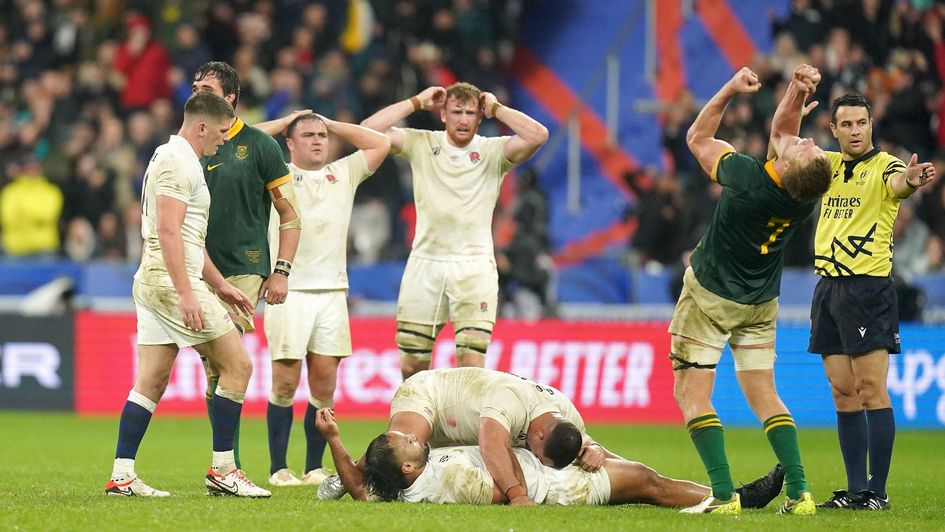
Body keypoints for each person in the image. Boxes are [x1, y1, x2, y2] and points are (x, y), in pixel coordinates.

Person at [670, 64, 832, 515]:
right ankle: (800, 493)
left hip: (710, 297)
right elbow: (784, 131)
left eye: (807, 149)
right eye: (811, 144)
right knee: (765, 393)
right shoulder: (804, 195)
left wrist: (727, 89)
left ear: (782, 165)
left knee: (691, 393)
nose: (809, 141)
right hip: (761, 302)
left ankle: (723, 497)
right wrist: (797, 91)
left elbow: (697, 139)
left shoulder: (745, 178)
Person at [103, 91, 269, 498]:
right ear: (200, 127)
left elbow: (189, 239)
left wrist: (221, 285)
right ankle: (224, 470)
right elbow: (169, 231)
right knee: (238, 367)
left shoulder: (172, 158)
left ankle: (121, 474)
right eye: (220, 131)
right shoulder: (179, 162)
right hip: (171, 281)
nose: (224, 139)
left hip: (156, 278)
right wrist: (188, 293)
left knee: (152, 380)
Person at [360, 83, 548, 380]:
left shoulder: (492, 151)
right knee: (411, 367)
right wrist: (415, 102)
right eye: (456, 112)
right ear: (443, 114)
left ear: (479, 117)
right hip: (426, 264)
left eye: (470, 113)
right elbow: (367, 131)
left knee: (471, 366)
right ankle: (419, 425)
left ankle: (464, 427)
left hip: (474, 267)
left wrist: (497, 108)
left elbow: (538, 135)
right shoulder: (421, 142)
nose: (463, 119)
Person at [810, 93, 936, 511]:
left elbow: (900, 183)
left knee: (870, 389)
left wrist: (912, 181)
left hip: (867, 288)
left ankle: (876, 492)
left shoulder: (886, 166)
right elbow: (782, 152)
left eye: (861, 123)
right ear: (833, 129)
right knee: (842, 392)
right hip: (827, 288)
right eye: (846, 124)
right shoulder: (825, 166)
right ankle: (853, 489)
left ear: (870, 124)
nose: (855, 131)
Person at [250, 111, 390, 487]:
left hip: (331, 293)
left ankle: (313, 467)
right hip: (288, 290)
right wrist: (284, 123)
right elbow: (236, 140)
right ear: (290, 144)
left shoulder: (343, 173)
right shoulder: (275, 170)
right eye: (308, 135)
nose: (317, 140)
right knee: (284, 382)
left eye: (321, 135)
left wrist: (331, 123)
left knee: (324, 385)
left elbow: (381, 142)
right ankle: (278, 468)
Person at [314, 409, 785, 509]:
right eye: (407, 444)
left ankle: (730, 496)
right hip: (550, 486)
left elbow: (359, 487)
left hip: (537, 471)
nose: (415, 438)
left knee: (643, 480)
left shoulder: (408, 482)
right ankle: (738, 500)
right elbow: (498, 492)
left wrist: (335, 439)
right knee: (645, 481)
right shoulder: (448, 479)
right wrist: (528, 484)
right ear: (409, 469)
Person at [191, 61, 302, 469]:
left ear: (230, 97)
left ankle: (226, 465)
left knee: (226, 363)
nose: (197, 92)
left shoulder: (260, 145)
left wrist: (281, 270)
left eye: (207, 87)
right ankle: (225, 464)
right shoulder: (186, 144)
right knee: (214, 370)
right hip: (194, 269)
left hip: (243, 269)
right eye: (195, 86)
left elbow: (290, 215)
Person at [318, 367, 610, 506]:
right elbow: (492, 444)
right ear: (538, 433)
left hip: (467, 428)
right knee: (391, 457)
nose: (537, 459)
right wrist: (518, 495)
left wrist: (594, 446)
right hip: (432, 397)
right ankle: (355, 473)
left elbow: (582, 440)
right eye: (538, 453)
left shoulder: (566, 415)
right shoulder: (510, 400)